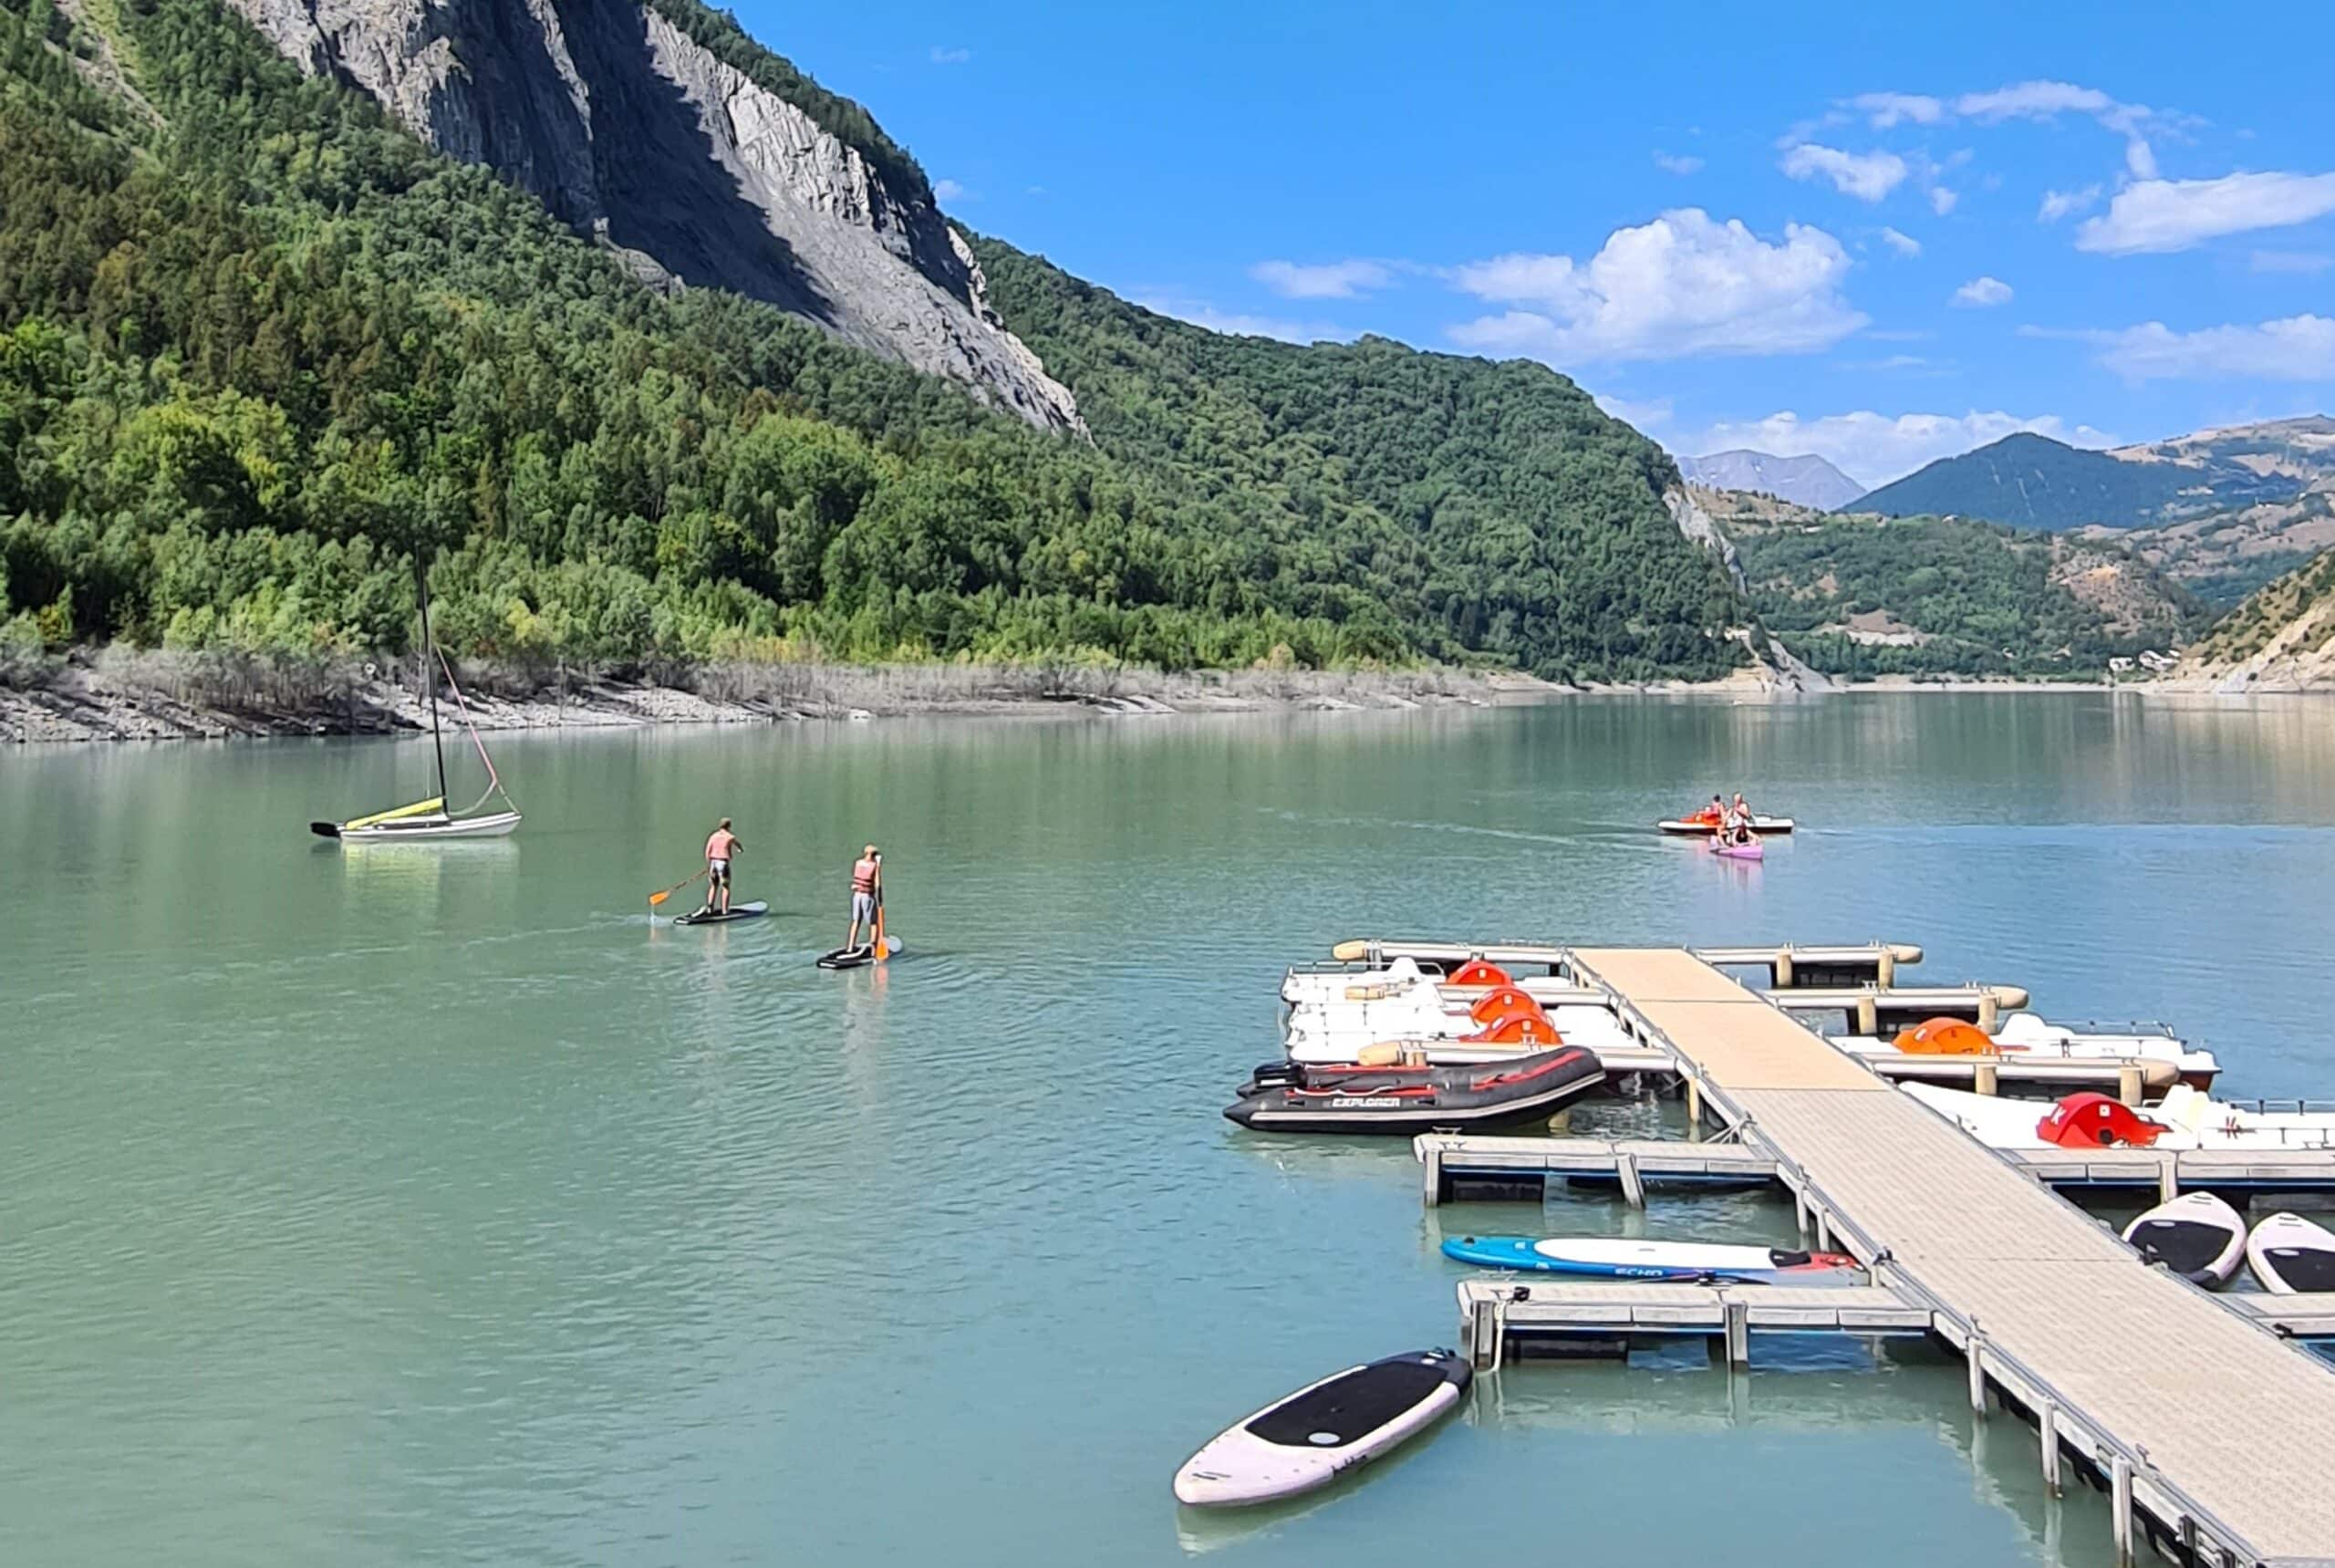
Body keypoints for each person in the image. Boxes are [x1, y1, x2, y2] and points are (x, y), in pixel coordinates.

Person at [845, 843, 883, 951]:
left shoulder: (858, 863)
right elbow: (877, 883)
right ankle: (873, 949)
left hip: (856, 895)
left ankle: (850, 947)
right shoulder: (874, 866)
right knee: (873, 923)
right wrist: (878, 866)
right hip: (867, 896)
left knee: (856, 921)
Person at [703, 817, 742, 915]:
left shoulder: (713, 836)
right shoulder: (730, 837)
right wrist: (740, 849)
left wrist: (709, 866)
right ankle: (725, 910)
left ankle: (709, 909)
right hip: (723, 863)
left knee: (713, 886)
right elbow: (737, 844)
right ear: (729, 826)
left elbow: (707, 851)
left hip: (713, 863)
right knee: (725, 887)